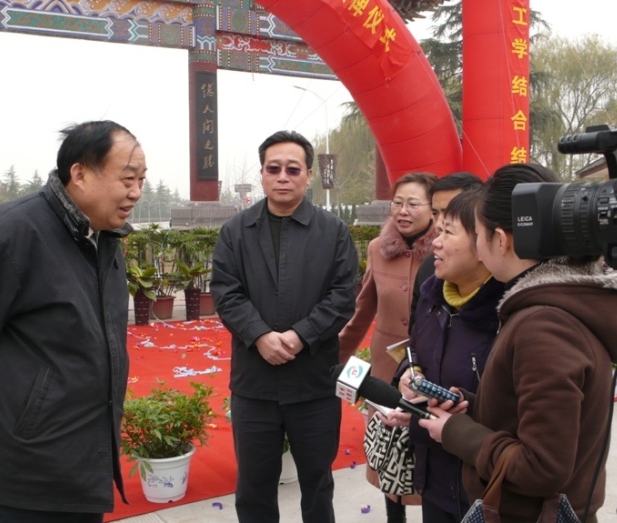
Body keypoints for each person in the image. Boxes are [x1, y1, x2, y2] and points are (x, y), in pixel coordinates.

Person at [0, 120, 146, 523]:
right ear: (79, 174)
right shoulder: (4, 234)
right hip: (21, 469)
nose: (136, 192)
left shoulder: (104, 239)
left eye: (142, 180)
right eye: (127, 179)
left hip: (80, 464)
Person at [419, 163, 617, 522]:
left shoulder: (545, 327)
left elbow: (542, 467)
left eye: (478, 233)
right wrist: (474, 407)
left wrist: (456, 432)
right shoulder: (552, 309)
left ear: (500, 239)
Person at [210, 130, 359, 523]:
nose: (282, 177)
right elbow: (225, 292)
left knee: (317, 483)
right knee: (254, 487)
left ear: (309, 175)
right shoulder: (235, 232)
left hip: (313, 382)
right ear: (261, 173)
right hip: (254, 384)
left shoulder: (333, 231)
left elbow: (343, 296)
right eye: (273, 168)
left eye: (293, 169)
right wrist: (259, 335)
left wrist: (301, 335)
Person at [389, 190, 505, 523]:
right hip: (436, 480)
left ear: (485, 244)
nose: (435, 243)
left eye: (448, 232)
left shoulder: (508, 314)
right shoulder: (432, 297)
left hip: (485, 488)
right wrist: (409, 374)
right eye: (436, 231)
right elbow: (413, 349)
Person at [339, 171, 437, 523]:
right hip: (385, 370)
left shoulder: (448, 251)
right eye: (397, 203)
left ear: (434, 209)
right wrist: (335, 357)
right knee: (389, 449)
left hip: (431, 367)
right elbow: (363, 309)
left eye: (413, 204)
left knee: (431, 452)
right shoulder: (378, 249)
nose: (403, 211)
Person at [409, 172, 482, 333]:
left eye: (450, 212)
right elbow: (415, 334)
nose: (439, 222)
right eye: (435, 213)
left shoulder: (504, 288)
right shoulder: (429, 269)